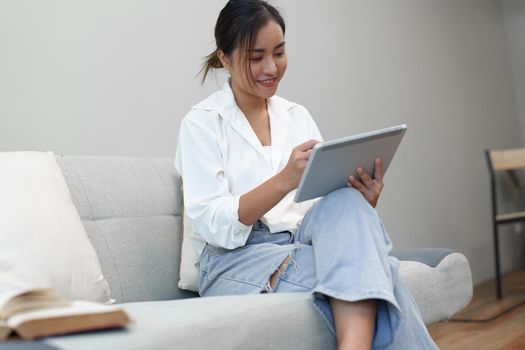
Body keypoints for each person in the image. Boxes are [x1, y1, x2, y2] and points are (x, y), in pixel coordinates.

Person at [175, 1, 437, 349]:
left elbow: (324, 210)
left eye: (279, 53)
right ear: (224, 58)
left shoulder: (297, 116)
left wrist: (365, 200)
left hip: (303, 243)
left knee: (345, 200)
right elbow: (212, 224)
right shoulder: (202, 123)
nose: (271, 68)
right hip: (234, 259)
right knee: (377, 273)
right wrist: (283, 179)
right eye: (256, 57)